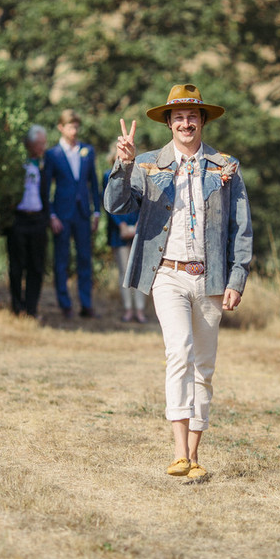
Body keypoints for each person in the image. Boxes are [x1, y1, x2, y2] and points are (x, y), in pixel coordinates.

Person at [104, 83, 252, 480]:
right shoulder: (149, 164)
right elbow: (116, 206)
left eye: (192, 116)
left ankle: (195, 456)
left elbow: (242, 229)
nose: (185, 122)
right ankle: (177, 452)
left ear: (202, 121)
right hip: (167, 274)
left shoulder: (226, 166)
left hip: (211, 278)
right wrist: (124, 165)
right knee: (179, 352)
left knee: (203, 366)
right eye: (178, 116)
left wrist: (238, 276)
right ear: (168, 123)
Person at [44, 109, 100, 318]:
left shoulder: (87, 151)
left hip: (83, 213)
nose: (74, 130)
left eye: (76, 126)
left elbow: (93, 183)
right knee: (62, 260)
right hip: (62, 214)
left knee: (85, 258)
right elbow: (46, 189)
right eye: (70, 126)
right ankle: (65, 304)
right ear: (61, 127)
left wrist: (96, 213)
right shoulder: (52, 154)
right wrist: (51, 215)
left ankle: (86, 304)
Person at [6, 125, 49, 318]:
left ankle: (32, 308)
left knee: (36, 266)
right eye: (39, 143)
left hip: (38, 220)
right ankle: (17, 306)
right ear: (29, 144)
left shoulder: (45, 164)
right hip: (19, 220)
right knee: (17, 266)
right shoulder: (17, 164)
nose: (42, 147)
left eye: (43, 143)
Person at [103, 150, 148, 324]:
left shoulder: (141, 174)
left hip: (139, 229)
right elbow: (107, 201)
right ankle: (128, 309)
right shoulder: (108, 175)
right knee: (124, 271)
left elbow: (146, 200)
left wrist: (137, 225)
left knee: (140, 271)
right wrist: (121, 225)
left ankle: (140, 310)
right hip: (118, 230)